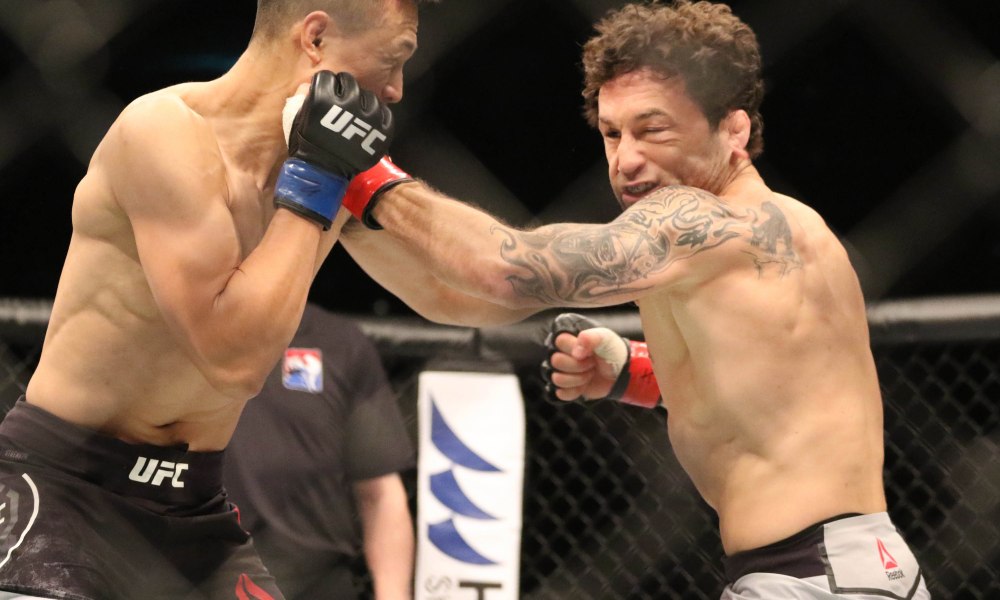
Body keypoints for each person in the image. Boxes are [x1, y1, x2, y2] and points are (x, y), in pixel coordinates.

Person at [334, 1, 932, 598]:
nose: (627, 160)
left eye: (654, 130)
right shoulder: (773, 233)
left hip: (813, 577)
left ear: (735, 130)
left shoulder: (708, 222)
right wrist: (346, 205)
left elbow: (505, 270)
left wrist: (365, 169)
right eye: (612, 133)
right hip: (851, 567)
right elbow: (457, 297)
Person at [0, 1, 434, 598]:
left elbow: (486, 273)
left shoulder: (346, 166)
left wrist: (578, 268)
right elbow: (235, 361)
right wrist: (317, 176)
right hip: (65, 485)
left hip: (193, 507)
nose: (397, 89)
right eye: (393, 58)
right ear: (315, 38)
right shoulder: (166, 131)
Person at [223, 302, 415, 600]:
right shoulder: (174, 337)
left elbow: (380, 494)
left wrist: (393, 596)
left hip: (318, 583)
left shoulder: (340, 343)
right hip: (208, 577)